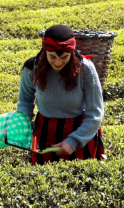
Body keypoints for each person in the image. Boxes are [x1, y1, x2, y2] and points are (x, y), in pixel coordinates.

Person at [17, 24, 106, 165]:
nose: (58, 62)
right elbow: (25, 102)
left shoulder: (85, 68)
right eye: (52, 57)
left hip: (80, 131)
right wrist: (25, 128)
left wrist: (74, 141)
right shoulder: (32, 67)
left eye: (64, 57)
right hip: (45, 133)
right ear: (44, 50)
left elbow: (95, 112)